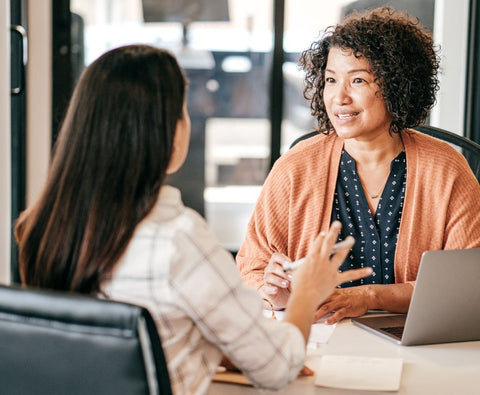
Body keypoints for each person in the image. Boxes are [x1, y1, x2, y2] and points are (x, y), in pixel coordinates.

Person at [14, 44, 372, 394]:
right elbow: (278, 367)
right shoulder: (178, 239)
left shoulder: (42, 227)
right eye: (183, 111)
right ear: (165, 132)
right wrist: (306, 294)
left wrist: (219, 347)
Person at [237, 7, 480, 325]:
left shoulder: (446, 168)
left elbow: (471, 282)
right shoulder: (295, 167)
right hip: (316, 335)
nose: (339, 97)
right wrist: (275, 293)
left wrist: (372, 297)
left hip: (415, 339)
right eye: (331, 80)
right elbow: (252, 268)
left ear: (395, 85)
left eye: (357, 80)